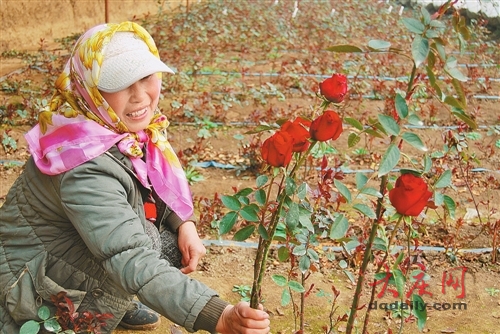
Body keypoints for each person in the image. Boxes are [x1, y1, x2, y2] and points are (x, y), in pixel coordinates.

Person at [0, 21, 270, 334]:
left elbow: (153, 186)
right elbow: (128, 254)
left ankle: (116, 301)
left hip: (67, 250)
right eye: (119, 83)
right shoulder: (82, 162)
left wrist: (185, 223)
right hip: (31, 280)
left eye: (146, 77)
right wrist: (217, 316)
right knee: (144, 243)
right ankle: (88, 306)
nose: (140, 95)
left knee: (165, 240)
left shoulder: (119, 132)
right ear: (90, 90)